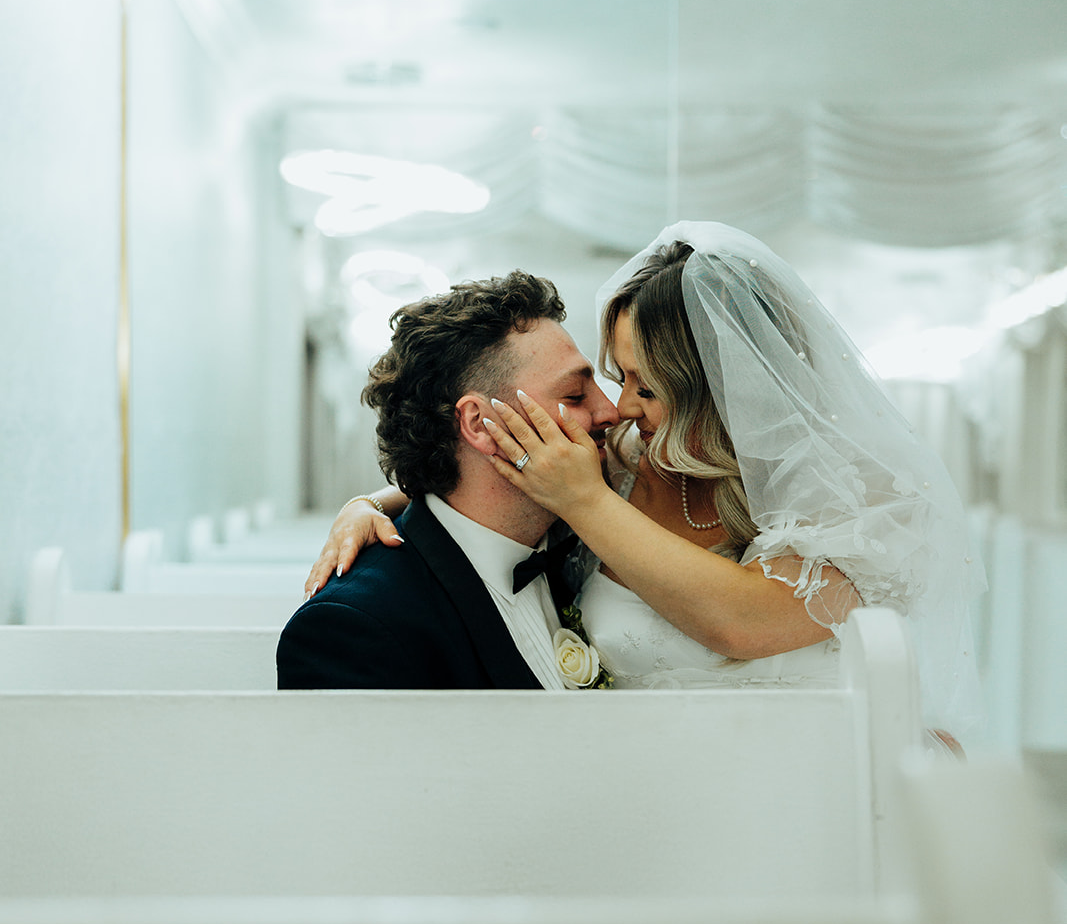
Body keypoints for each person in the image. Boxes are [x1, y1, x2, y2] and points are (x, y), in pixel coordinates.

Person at [307, 223, 982, 736]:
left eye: (646, 386)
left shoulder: (864, 497)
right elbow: (480, 487)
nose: (619, 408)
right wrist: (369, 503)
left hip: (817, 791)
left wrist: (584, 500)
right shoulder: (629, 465)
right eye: (613, 377)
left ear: (723, 392)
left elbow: (741, 623)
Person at [277, 270, 618, 690]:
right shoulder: (357, 626)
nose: (611, 413)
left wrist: (368, 502)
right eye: (575, 396)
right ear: (479, 424)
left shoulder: (587, 542)